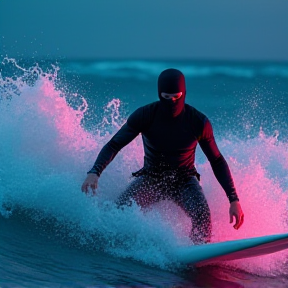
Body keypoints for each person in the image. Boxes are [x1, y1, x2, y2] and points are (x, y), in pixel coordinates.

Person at [81, 68, 244, 244]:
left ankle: (198, 252)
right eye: (166, 97)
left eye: (177, 96)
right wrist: (94, 172)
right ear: (159, 94)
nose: (172, 101)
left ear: (184, 93)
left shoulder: (198, 122)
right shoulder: (145, 115)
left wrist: (233, 199)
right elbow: (114, 144)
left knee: (202, 216)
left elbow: (217, 160)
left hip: (184, 181)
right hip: (151, 179)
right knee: (118, 213)